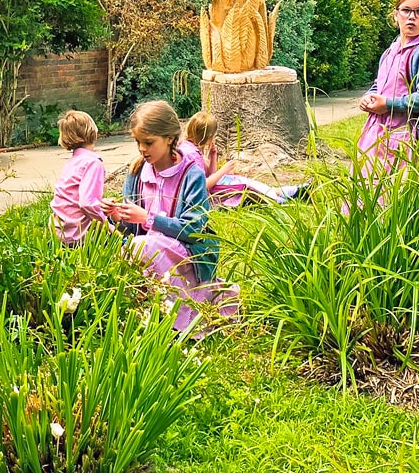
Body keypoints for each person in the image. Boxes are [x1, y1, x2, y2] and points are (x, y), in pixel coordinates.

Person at [100, 101, 224, 332]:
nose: (142, 149)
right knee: (134, 242)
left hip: (186, 254)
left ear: (169, 138)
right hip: (146, 250)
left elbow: (193, 229)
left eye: (148, 142)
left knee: (143, 245)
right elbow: (132, 227)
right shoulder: (137, 172)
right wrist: (117, 215)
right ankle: (139, 313)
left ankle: (175, 320)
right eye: (138, 142)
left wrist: (148, 218)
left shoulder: (190, 174)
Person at [357, 0, 419, 172]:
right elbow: (379, 85)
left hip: (411, 142)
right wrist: (370, 96)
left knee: (402, 196)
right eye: (406, 10)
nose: (411, 17)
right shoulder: (391, 51)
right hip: (378, 136)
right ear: (396, 14)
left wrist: (389, 104)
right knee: (371, 195)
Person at [183, 112, 307, 207]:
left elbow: (210, 175)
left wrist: (213, 156)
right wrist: (223, 171)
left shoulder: (193, 149)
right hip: (209, 197)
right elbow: (203, 186)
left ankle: (292, 191)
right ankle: (284, 199)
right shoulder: (192, 155)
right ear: (208, 136)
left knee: (243, 182)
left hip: (216, 187)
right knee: (245, 187)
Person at [49, 110, 110, 246]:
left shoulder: (72, 162)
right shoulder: (93, 163)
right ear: (95, 134)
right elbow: (87, 203)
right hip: (78, 235)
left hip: (60, 231)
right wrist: (107, 226)